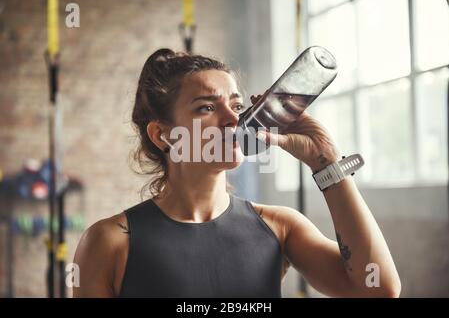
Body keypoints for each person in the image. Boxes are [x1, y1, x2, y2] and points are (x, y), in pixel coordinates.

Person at [73, 48, 401, 298]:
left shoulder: (280, 227)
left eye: (237, 106)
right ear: (163, 135)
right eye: (206, 107)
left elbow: (380, 289)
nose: (233, 119)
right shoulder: (111, 241)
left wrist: (326, 163)